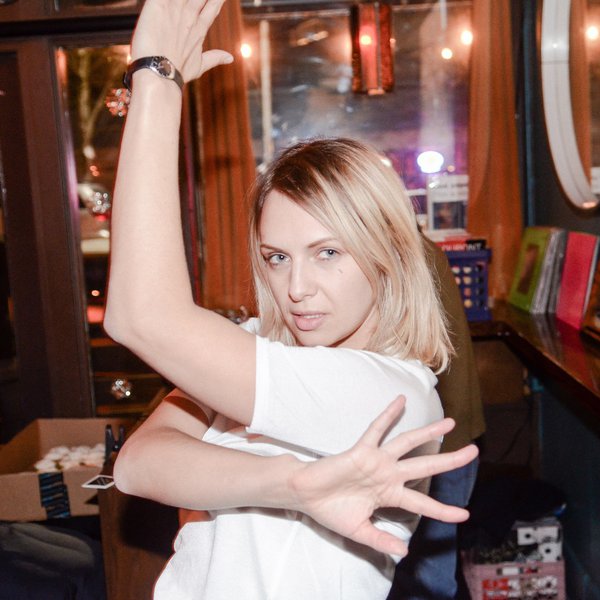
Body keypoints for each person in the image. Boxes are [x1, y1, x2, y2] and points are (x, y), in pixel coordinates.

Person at [104, 1, 478, 598]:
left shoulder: (393, 395)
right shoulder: (261, 343)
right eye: (277, 257)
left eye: (327, 252)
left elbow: (142, 318)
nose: (296, 288)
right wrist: (293, 484)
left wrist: (156, 80)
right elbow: (136, 465)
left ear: (387, 255)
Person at [388, 238, 485, 600]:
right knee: (430, 577)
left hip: (432, 445)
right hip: (447, 437)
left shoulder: (400, 255)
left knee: (427, 582)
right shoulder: (418, 248)